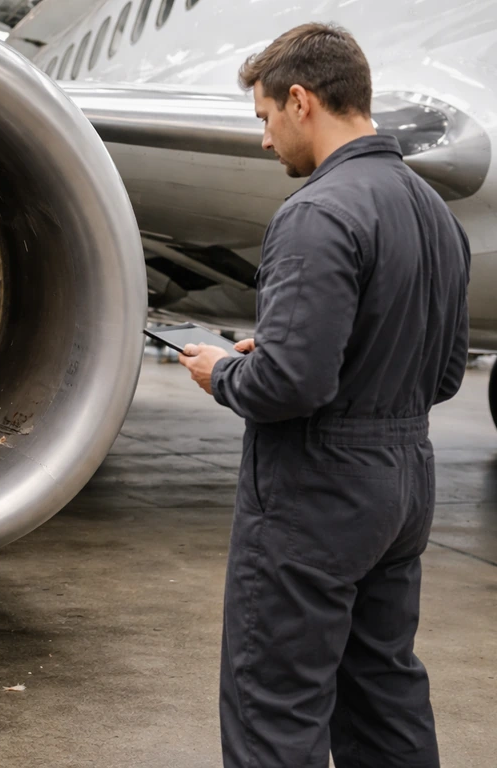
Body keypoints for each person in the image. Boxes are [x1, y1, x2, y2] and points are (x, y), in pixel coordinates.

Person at [178, 23, 470, 768]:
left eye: (266, 117)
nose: (265, 141)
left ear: (301, 100)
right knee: (383, 693)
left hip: (317, 493)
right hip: (405, 481)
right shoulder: (437, 215)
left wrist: (226, 373)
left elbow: (292, 385)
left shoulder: (317, 212)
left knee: (274, 705)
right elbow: (444, 375)